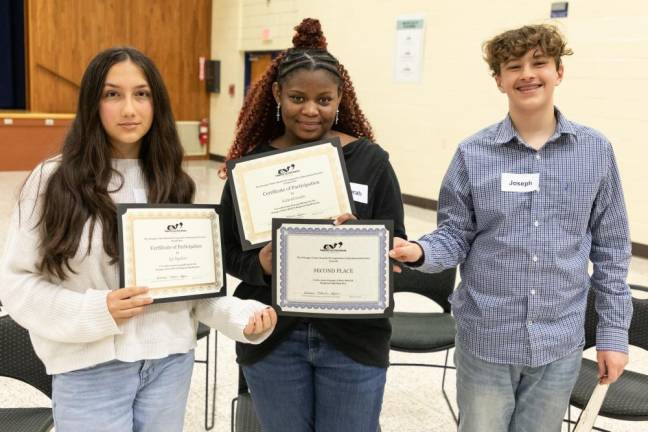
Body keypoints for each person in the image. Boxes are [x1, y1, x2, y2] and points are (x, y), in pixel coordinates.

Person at [0, 46, 277, 432]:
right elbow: (17, 284)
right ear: (92, 103)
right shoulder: (53, 181)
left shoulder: (173, 182)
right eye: (113, 94)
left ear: (156, 102)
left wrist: (240, 315)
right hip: (89, 369)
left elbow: (192, 289)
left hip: (169, 365)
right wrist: (98, 311)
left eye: (141, 94)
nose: (129, 109)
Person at [389, 24, 633, 432]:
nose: (527, 74)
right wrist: (420, 252)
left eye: (539, 63)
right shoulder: (472, 154)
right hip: (486, 338)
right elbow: (455, 234)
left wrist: (612, 335)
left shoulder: (595, 152)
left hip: (559, 342)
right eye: (513, 66)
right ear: (499, 79)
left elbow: (611, 251)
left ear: (559, 71)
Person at [220, 18, 406, 432]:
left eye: (324, 99)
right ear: (277, 95)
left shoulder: (371, 161)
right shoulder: (251, 167)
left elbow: (399, 246)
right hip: (272, 336)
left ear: (340, 97)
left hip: (353, 339)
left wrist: (367, 242)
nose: (310, 110)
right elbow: (227, 251)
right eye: (298, 97)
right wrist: (261, 266)